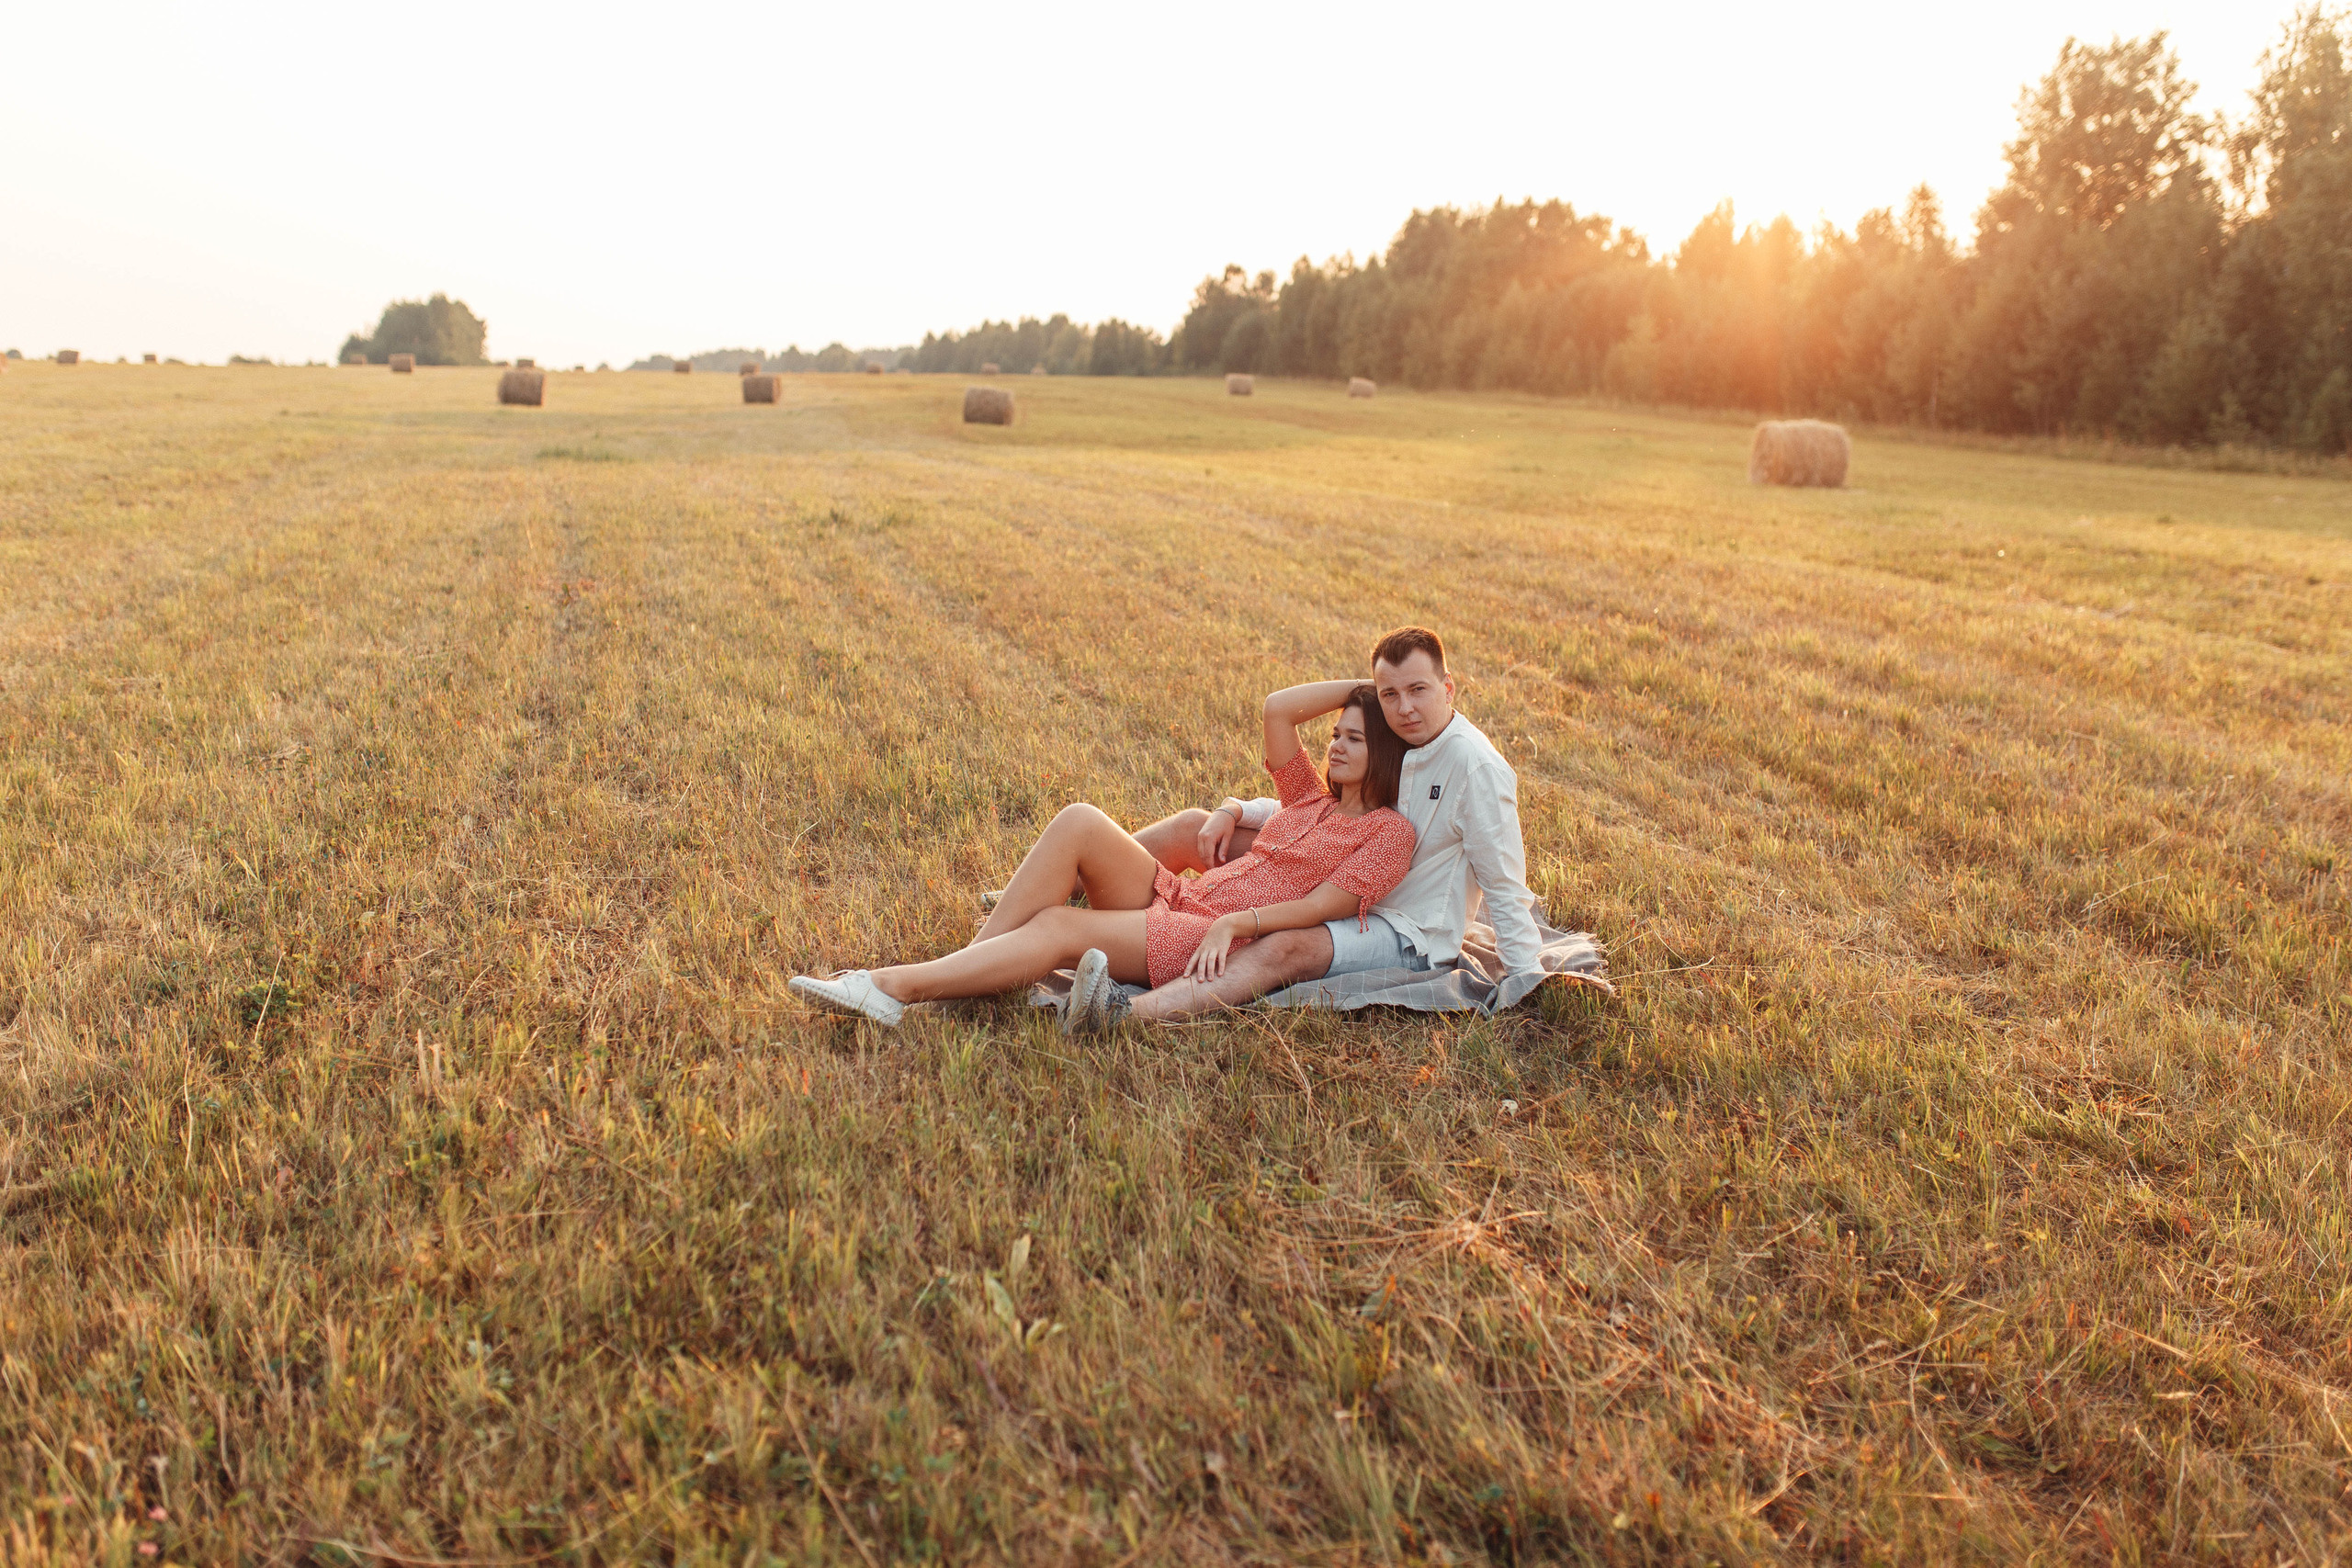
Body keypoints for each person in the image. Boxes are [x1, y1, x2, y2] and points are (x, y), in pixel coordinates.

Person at [788, 682, 1417, 1031]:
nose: (1334, 745)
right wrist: (1369, 688)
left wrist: (1235, 923)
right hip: (1183, 898)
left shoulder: (1390, 832)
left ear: (1385, 754)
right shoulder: (1309, 800)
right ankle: (965, 974)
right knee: (1080, 821)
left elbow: (1319, 907)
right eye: (1335, 733)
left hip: (1201, 936)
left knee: (1057, 925)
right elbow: (1277, 709)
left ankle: (892, 986)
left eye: (1355, 738)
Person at [1082, 626, 1548, 1026]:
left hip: (1400, 925)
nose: (1405, 707)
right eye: (1392, 693)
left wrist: (1524, 976)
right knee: (1193, 827)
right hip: (1348, 868)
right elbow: (1327, 807)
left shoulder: (1475, 767)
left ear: (1449, 688)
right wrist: (1240, 809)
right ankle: (1064, 887)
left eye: (1418, 690)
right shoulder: (1401, 730)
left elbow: (1504, 883)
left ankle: (1124, 1012)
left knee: (1286, 945)